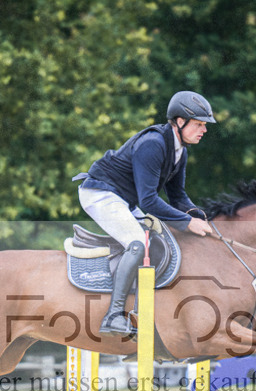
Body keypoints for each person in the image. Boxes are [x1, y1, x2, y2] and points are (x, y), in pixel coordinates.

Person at [73, 91, 216, 336]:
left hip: (123, 199)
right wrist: (186, 223)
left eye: (204, 125)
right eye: (199, 124)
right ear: (179, 121)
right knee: (138, 244)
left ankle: (144, 308)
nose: (204, 130)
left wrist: (198, 215)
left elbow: (178, 197)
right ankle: (113, 316)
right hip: (100, 193)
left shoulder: (179, 150)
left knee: (160, 240)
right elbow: (149, 201)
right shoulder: (153, 144)